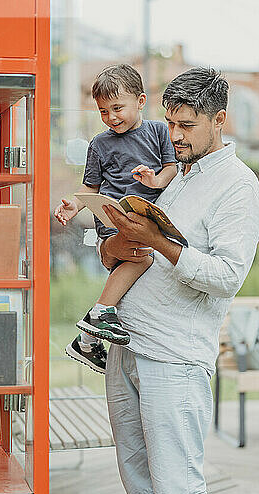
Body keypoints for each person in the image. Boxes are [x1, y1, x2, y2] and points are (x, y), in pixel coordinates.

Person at [98, 67, 259, 494]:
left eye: (186, 126)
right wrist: (114, 247)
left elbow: (228, 277)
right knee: (148, 487)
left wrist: (162, 244)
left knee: (182, 486)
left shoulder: (240, 188)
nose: (174, 136)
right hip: (127, 343)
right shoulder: (176, 175)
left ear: (220, 120)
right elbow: (139, 252)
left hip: (173, 356)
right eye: (170, 123)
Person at [54, 64, 177, 373]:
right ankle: (99, 314)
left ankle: (86, 340)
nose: (111, 117)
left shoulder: (159, 132)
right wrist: (75, 206)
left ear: (141, 100)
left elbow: (171, 168)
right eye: (103, 111)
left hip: (145, 216)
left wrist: (155, 181)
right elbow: (90, 186)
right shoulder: (99, 144)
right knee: (142, 258)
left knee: (141, 260)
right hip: (112, 217)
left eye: (117, 108)